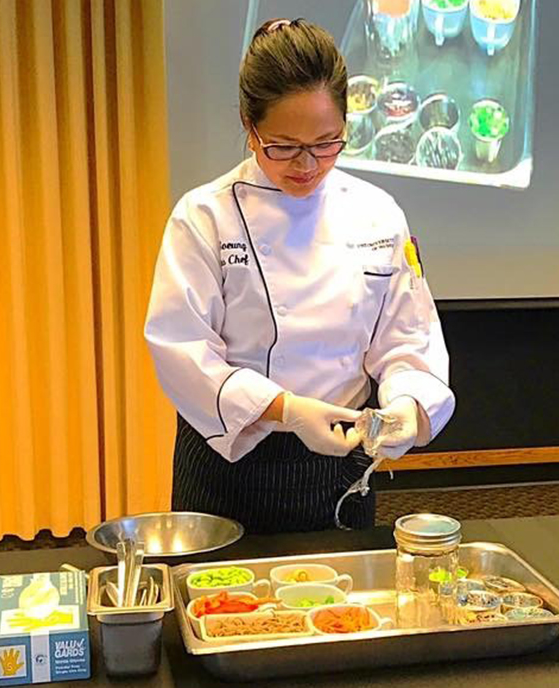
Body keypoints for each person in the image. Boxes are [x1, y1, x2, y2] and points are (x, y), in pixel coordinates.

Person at [144, 18, 454, 533]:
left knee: (342, 608)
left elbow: (408, 337)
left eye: (327, 142)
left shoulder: (379, 213)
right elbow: (181, 349)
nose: (307, 165)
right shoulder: (204, 216)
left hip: (341, 457)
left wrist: (407, 405)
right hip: (232, 457)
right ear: (249, 125)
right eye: (283, 146)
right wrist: (283, 410)